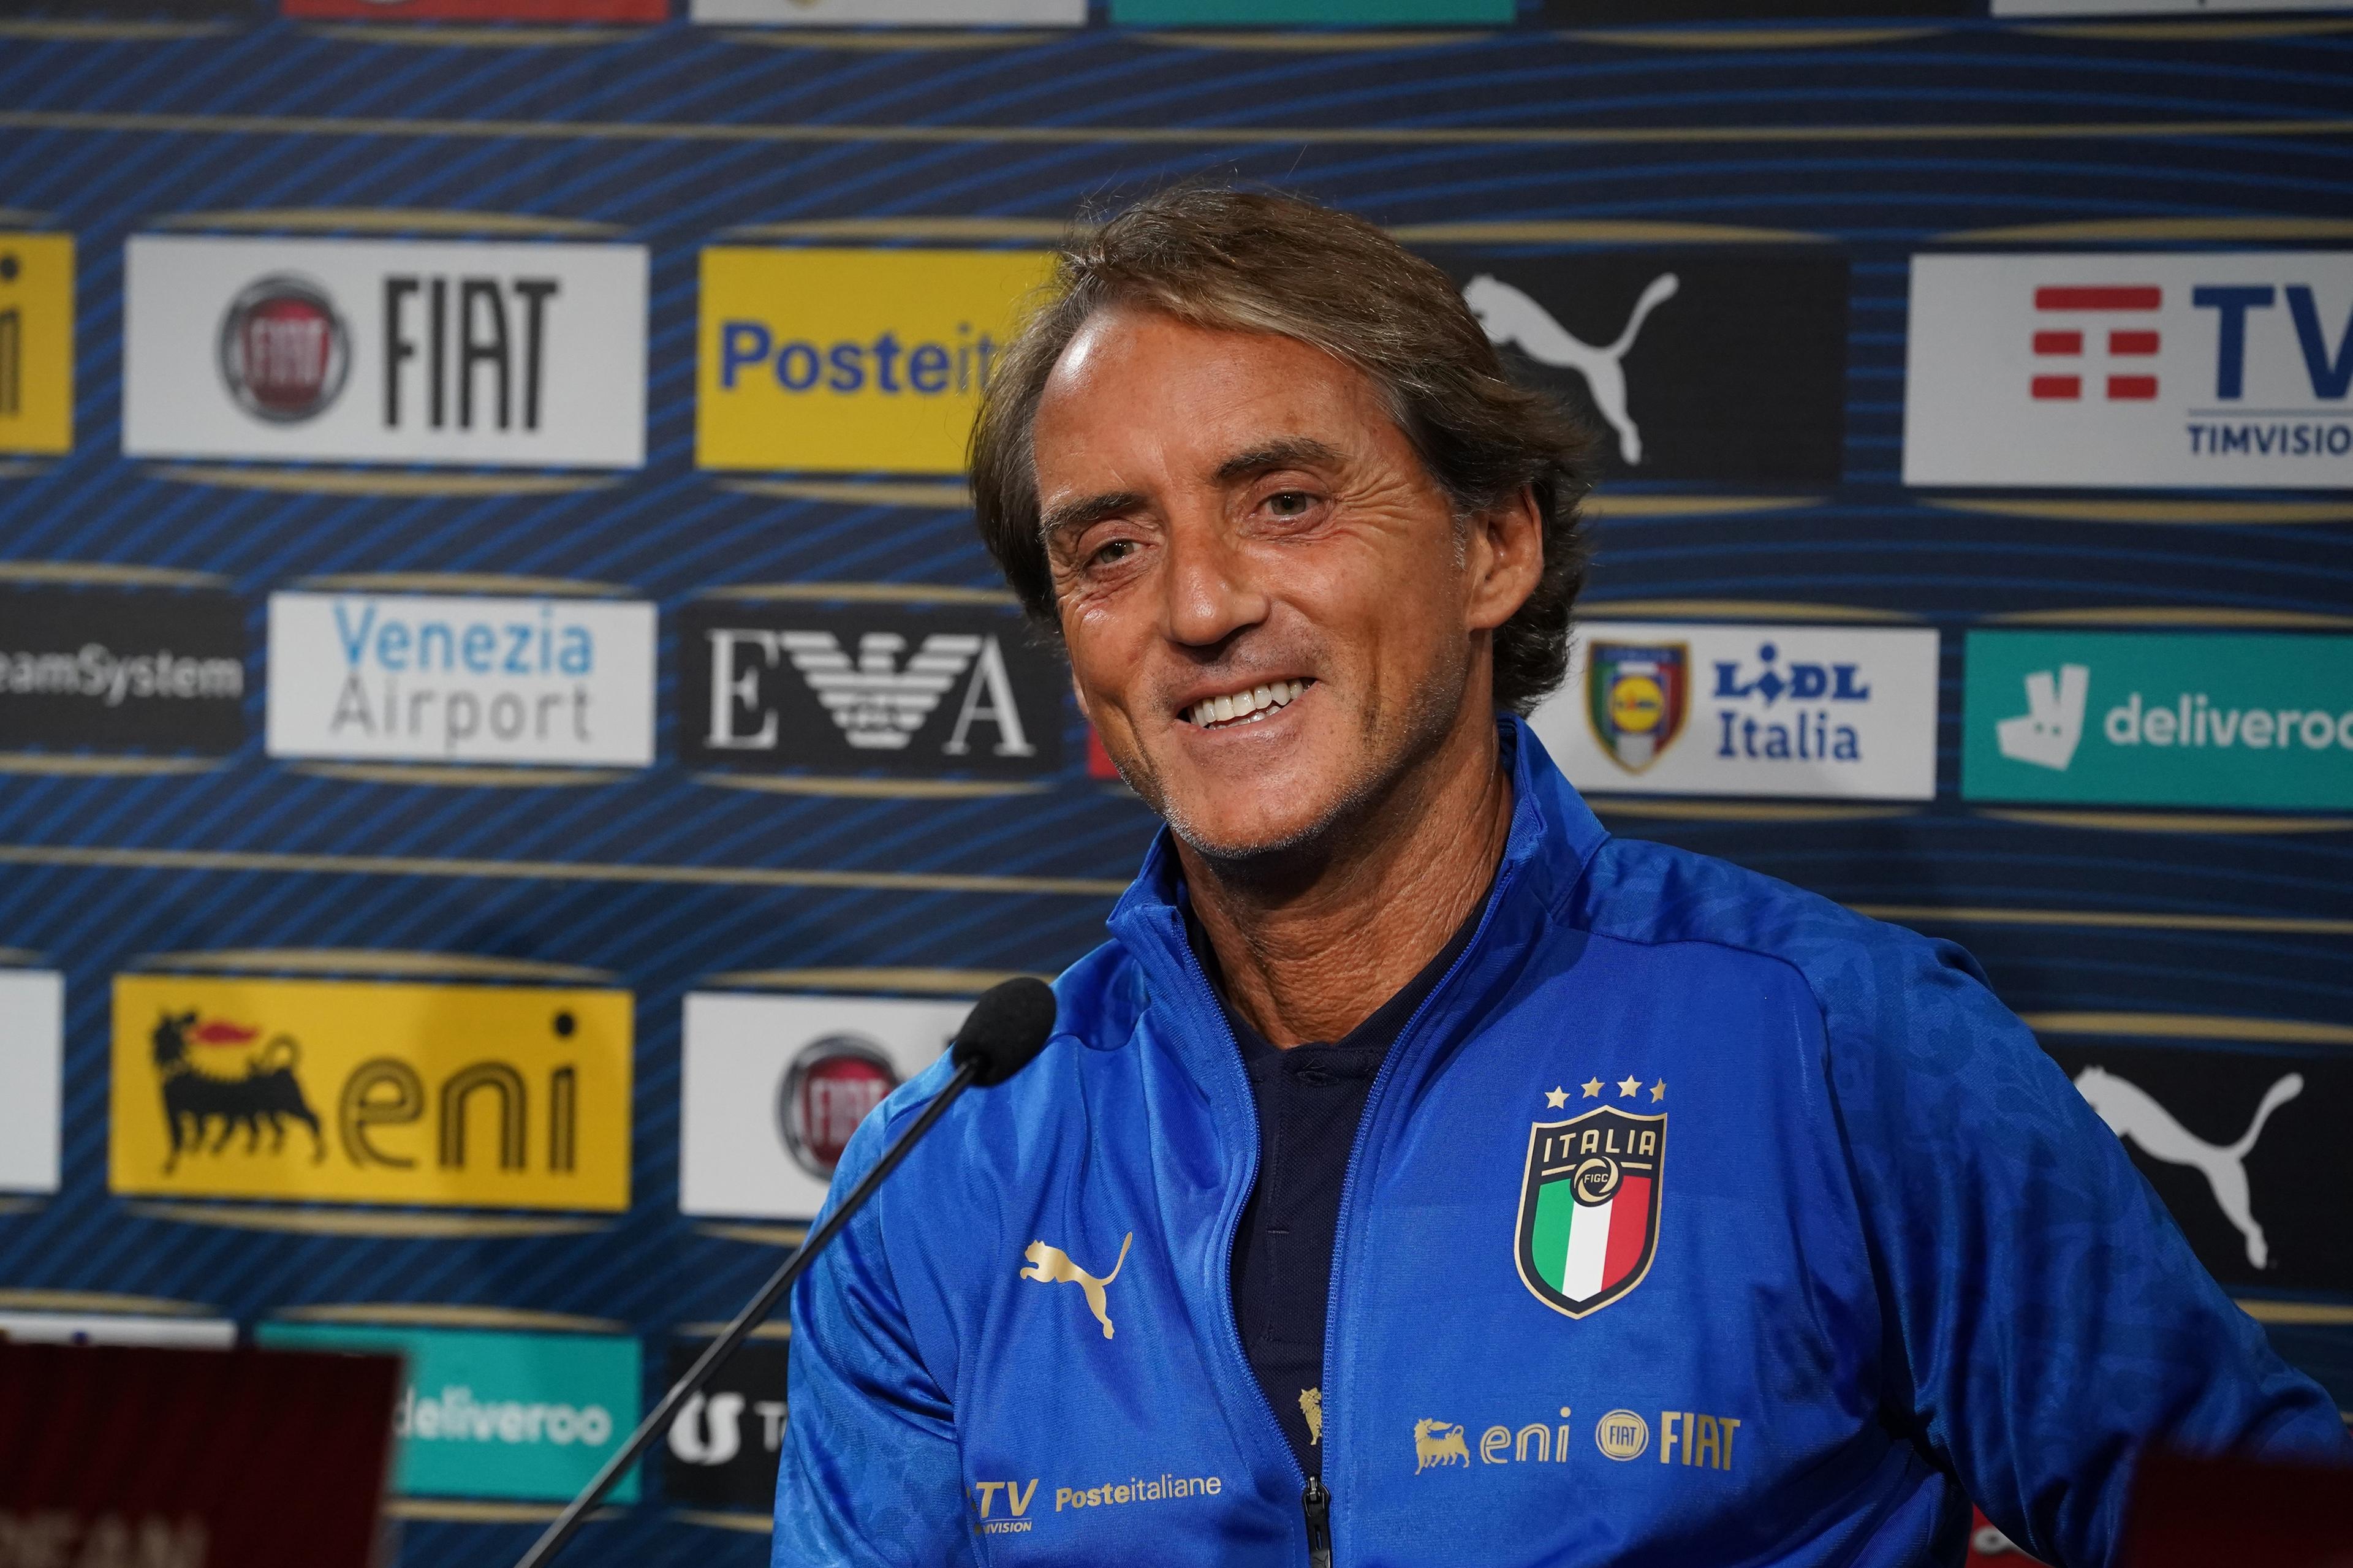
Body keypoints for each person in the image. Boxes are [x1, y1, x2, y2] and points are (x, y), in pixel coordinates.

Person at [771, 187, 2347, 1568]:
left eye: (1286, 502)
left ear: (1494, 547)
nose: (1198, 606)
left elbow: (2263, 1529)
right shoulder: (952, 1169)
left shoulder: (1844, 1044)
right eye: (1109, 547)